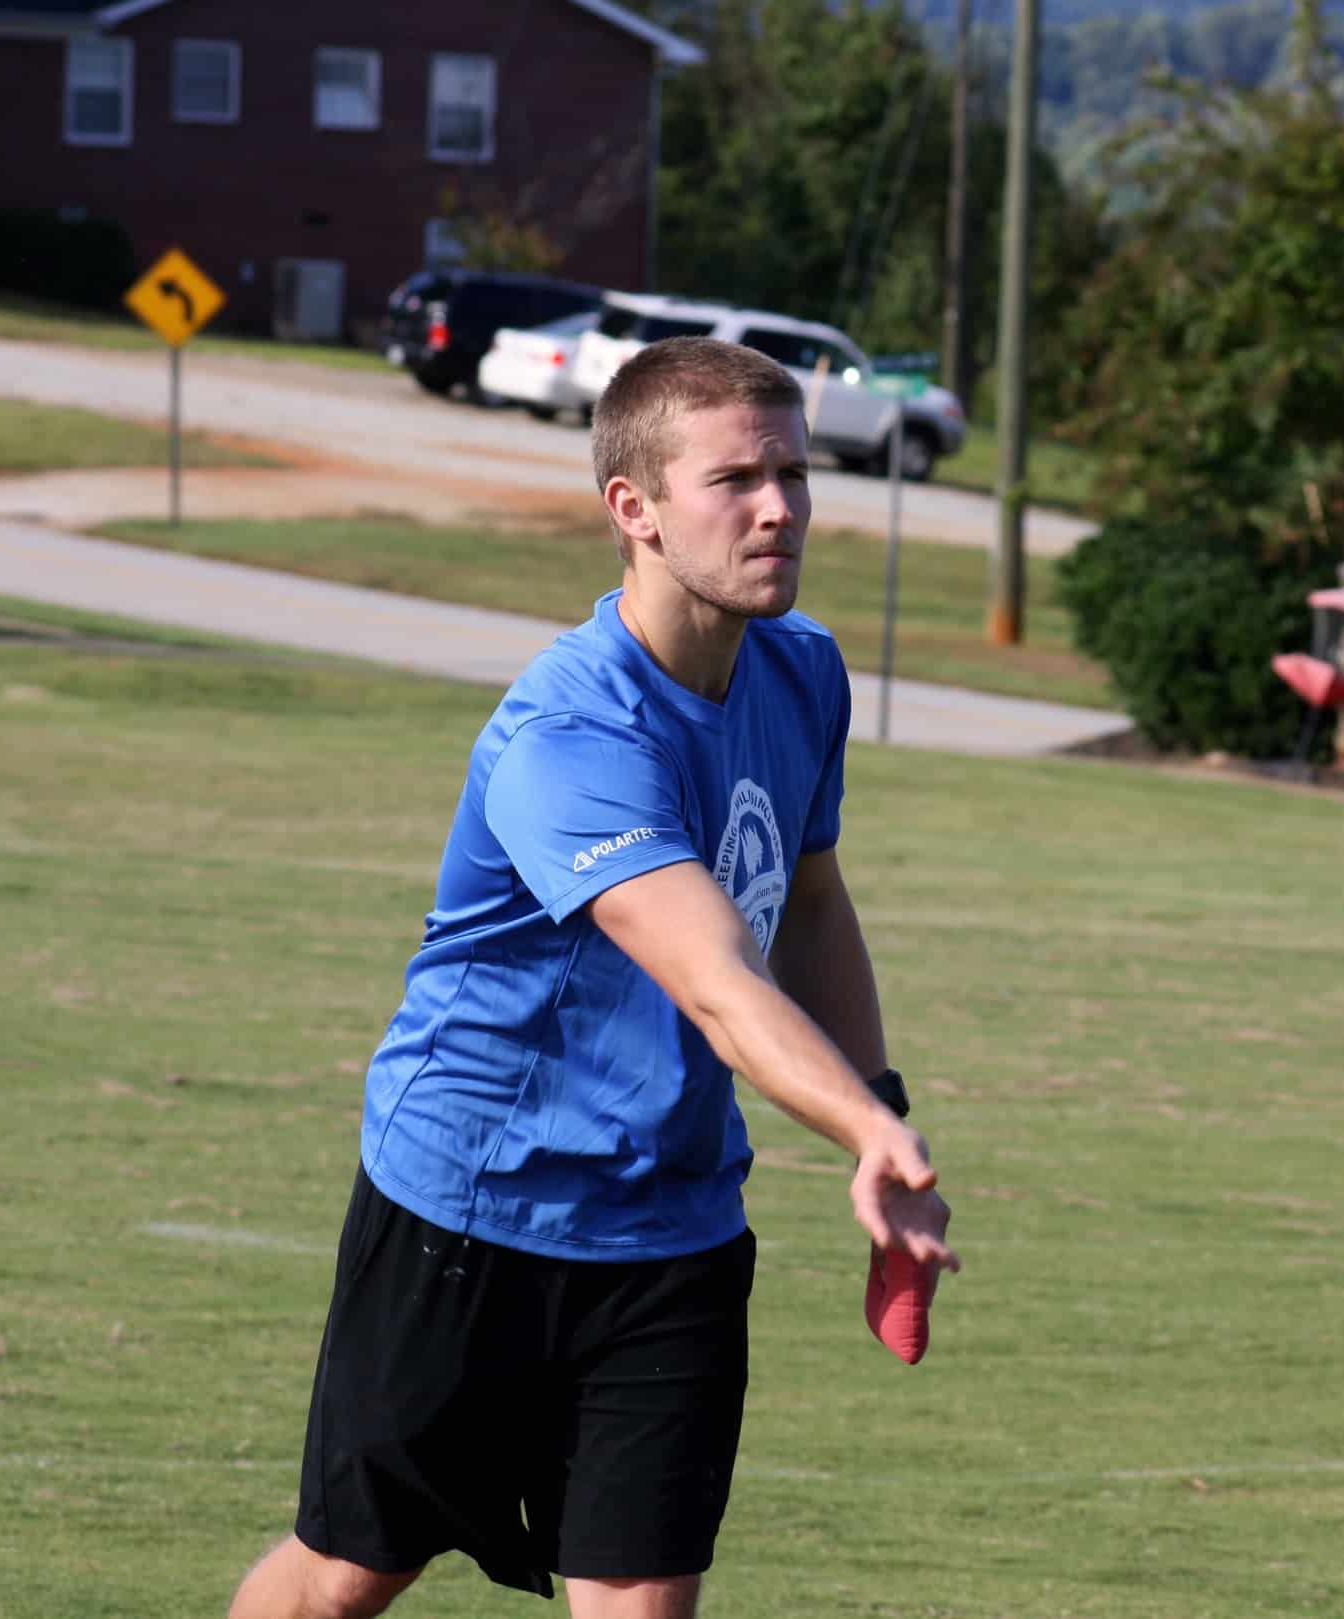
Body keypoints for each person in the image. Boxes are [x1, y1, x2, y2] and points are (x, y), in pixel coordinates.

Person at [226, 335, 958, 1619]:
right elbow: (719, 980)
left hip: (671, 1226)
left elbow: (813, 899)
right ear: (634, 509)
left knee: (638, 1602)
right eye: (736, 477)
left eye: (794, 471)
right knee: (342, 1577)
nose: (781, 505)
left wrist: (880, 1105)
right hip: (470, 1211)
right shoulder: (568, 735)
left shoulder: (802, 670)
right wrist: (863, 1125)